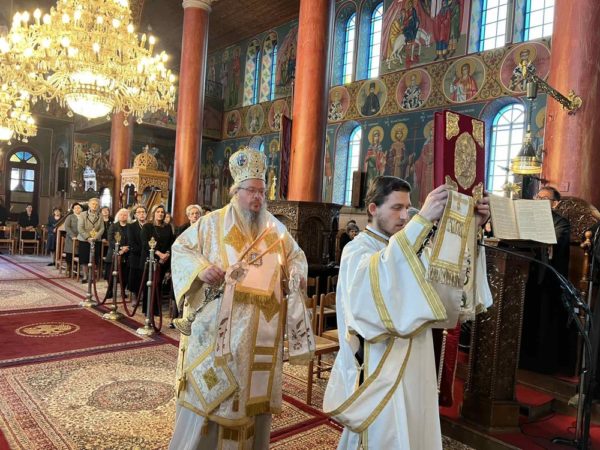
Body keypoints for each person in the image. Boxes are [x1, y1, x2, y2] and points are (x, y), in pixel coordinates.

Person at [323, 176, 492, 450]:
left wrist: (473, 227)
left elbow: (446, 282)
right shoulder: (357, 250)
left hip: (417, 359)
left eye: (407, 208)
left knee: (413, 429)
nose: (404, 216)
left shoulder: (412, 245)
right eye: (396, 208)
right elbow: (378, 283)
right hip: (380, 367)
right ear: (373, 208)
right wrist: (421, 221)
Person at [168, 146, 314, 450]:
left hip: (261, 334)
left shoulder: (274, 228)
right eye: (251, 191)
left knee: (251, 403)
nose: (258, 197)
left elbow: (296, 256)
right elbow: (181, 249)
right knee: (213, 400)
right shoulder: (212, 223)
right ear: (236, 191)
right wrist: (201, 269)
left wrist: (297, 273)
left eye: (262, 191)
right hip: (219, 335)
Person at [520, 186, 572, 374]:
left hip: (550, 279)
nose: (538, 201)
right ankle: (522, 357)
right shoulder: (528, 219)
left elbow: (553, 241)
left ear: (555, 204)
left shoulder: (562, 223)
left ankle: (542, 364)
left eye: (544, 199)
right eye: (537, 197)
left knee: (544, 316)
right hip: (528, 274)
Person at [140, 205, 175, 314]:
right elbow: (145, 243)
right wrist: (159, 254)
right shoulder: (147, 227)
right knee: (149, 283)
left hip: (164, 260)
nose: (160, 214)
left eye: (162, 212)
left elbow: (172, 242)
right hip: (150, 259)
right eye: (158, 211)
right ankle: (148, 309)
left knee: (159, 284)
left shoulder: (167, 227)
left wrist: (167, 254)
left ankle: (156, 309)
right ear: (153, 213)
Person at [77, 198, 105, 284]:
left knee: (94, 259)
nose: (94, 206)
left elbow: (102, 228)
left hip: (96, 240)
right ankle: (85, 276)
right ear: (89, 205)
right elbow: (80, 228)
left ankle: (92, 276)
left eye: (96, 204)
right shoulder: (83, 214)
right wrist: (88, 238)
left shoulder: (100, 215)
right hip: (84, 240)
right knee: (84, 259)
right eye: (93, 204)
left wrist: (95, 237)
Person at [105, 208, 130, 299]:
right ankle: (110, 290)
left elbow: (132, 239)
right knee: (110, 273)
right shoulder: (113, 226)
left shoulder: (130, 227)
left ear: (128, 217)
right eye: (121, 214)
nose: (123, 216)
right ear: (118, 216)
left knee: (125, 274)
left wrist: (125, 248)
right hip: (113, 252)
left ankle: (123, 290)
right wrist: (120, 248)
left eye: (125, 215)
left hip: (126, 253)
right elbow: (110, 239)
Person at [127, 205, 147, 302]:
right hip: (136, 255)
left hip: (147, 255)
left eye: (143, 212)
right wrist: (143, 251)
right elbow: (131, 242)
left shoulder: (149, 225)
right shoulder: (131, 226)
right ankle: (135, 296)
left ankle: (144, 295)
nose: (141, 214)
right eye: (139, 212)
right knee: (135, 277)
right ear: (135, 215)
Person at [64, 203, 82, 276]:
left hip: (81, 238)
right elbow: (67, 227)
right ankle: (69, 269)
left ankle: (77, 270)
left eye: (79, 208)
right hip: (71, 239)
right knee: (70, 254)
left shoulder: (83, 217)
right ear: (73, 210)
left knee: (79, 254)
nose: (77, 209)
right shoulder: (70, 217)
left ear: (81, 209)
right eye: (76, 208)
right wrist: (73, 236)